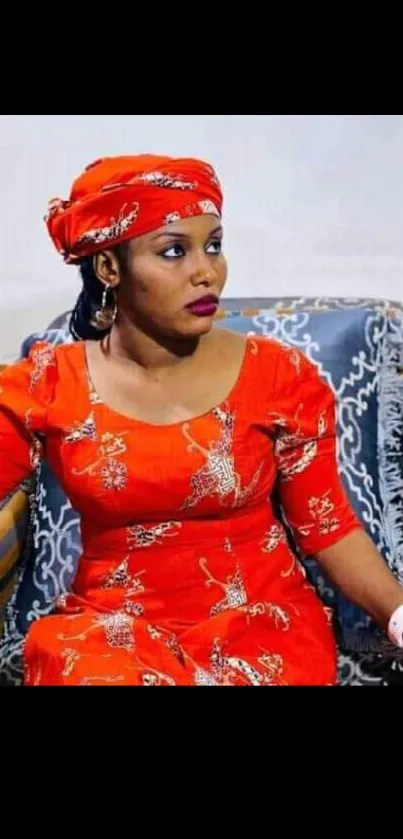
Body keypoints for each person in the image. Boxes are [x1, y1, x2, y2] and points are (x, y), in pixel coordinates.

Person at [1, 154, 403, 687]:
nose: (206, 271)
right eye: (174, 251)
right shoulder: (48, 385)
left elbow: (329, 528)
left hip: (261, 631)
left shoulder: (278, 376)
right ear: (110, 268)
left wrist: (399, 616)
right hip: (111, 635)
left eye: (213, 244)